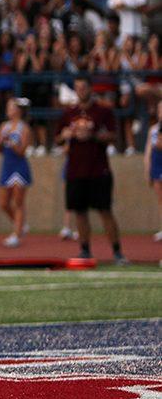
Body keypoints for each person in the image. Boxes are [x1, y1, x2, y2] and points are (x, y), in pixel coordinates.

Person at [56, 76, 127, 264]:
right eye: (77, 88)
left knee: (105, 210)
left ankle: (117, 252)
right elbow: (58, 137)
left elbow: (113, 136)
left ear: (90, 89)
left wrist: (93, 135)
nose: (80, 91)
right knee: (79, 211)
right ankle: (85, 250)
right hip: (75, 169)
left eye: (83, 87)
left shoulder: (103, 111)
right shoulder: (69, 112)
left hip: (98, 169)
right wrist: (66, 135)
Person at [0, 97, 32, 248]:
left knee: (18, 201)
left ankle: (16, 234)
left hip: (19, 166)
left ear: (18, 110)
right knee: (3, 203)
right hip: (7, 166)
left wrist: (11, 142)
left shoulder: (24, 128)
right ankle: (20, 225)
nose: (8, 110)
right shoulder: (4, 126)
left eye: (11, 107)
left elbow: (22, 151)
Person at [145, 100, 162, 243]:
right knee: (160, 199)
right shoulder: (154, 129)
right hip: (157, 164)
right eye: (159, 110)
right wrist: (147, 169)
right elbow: (149, 150)